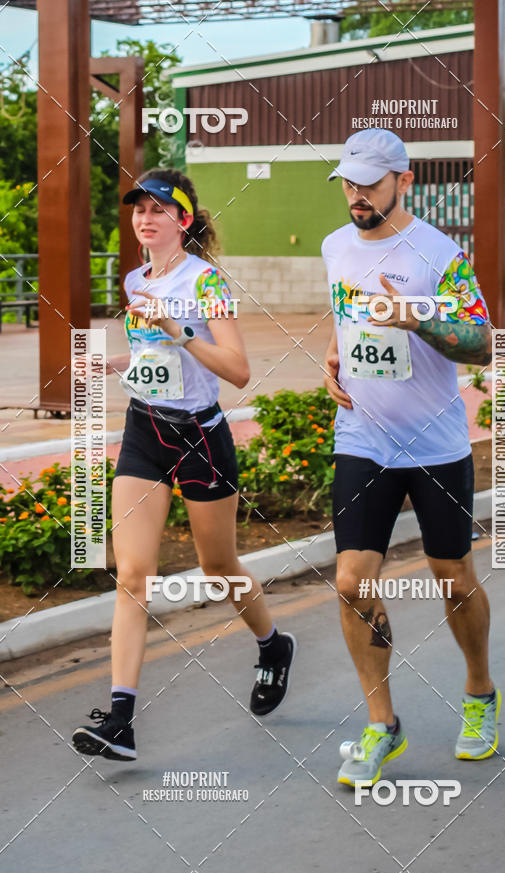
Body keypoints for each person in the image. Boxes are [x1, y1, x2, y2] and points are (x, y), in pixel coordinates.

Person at [72, 168, 296, 761]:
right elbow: (155, 355)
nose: (144, 219)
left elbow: (238, 370)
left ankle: (272, 644)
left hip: (200, 435)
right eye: (138, 209)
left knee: (217, 565)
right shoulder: (134, 279)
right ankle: (120, 717)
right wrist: (120, 362)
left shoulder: (209, 282)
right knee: (132, 571)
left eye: (158, 210)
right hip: (144, 430)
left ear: (183, 220)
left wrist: (177, 328)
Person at [321, 130, 499, 788]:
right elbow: (344, 317)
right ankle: (381, 725)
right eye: (348, 180)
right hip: (364, 436)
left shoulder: (440, 255)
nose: (357, 193)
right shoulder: (335, 247)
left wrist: (418, 319)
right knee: (349, 581)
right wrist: (336, 356)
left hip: (436, 443)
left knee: (452, 575)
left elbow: (481, 342)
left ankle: (479, 693)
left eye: (370, 181)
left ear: (406, 179)